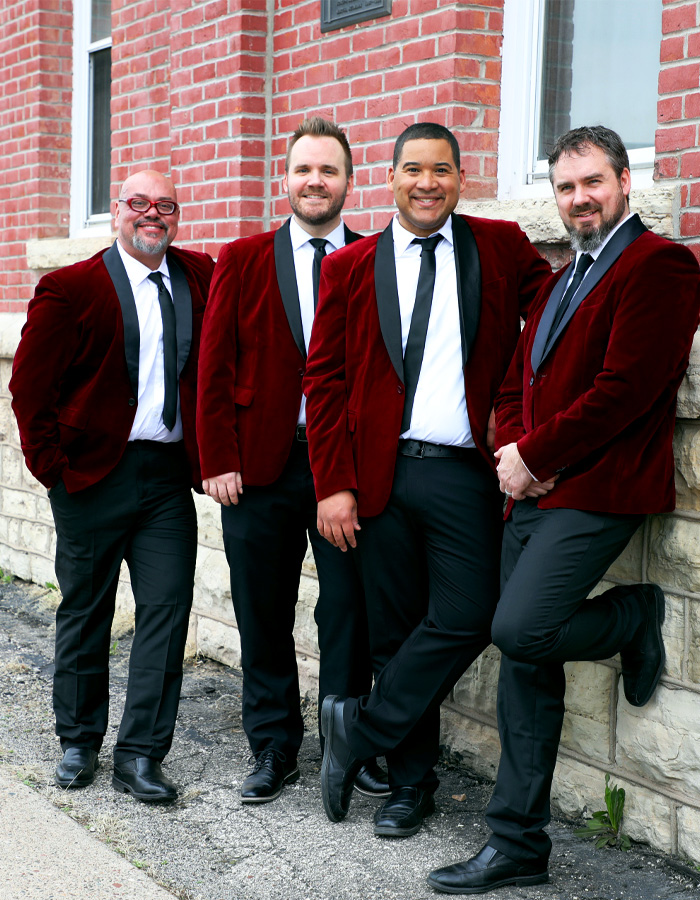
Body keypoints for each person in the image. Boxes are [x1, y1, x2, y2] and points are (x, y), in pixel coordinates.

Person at [427, 125, 700, 893]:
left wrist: (537, 457)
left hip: (603, 488)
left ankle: (631, 617)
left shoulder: (661, 267)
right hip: (535, 490)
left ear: (624, 183)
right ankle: (516, 843)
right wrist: (514, 455)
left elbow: (626, 390)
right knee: (526, 663)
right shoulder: (557, 279)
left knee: (519, 627)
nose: (580, 199)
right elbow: (517, 381)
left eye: (594, 183)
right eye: (566, 187)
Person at [304, 121, 551, 837]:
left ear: (459, 178)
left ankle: (360, 728)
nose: (427, 182)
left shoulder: (500, 247)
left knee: (471, 614)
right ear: (390, 178)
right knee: (394, 635)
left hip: (464, 475)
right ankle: (411, 788)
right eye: (413, 169)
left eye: (441, 169)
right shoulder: (351, 267)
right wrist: (332, 484)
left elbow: (561, 311)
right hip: (378, 481)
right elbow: (323, 382)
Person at [196, 117, 387, 804]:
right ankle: (274, 745)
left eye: (328, 170)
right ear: (286, 179)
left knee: (347, 609)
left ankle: (349, 741)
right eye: (304, 169)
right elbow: (213, 365)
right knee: (261, 610)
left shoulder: (375, 255)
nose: (316, 181)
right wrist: (217, 456)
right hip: (258, 471)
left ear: (348, 181)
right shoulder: (243, 258)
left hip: (345, 471)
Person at [10, 170, 214, 803]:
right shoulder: (69, 288)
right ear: (115, 212)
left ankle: (142, 755)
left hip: (165, 480)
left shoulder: (199, 276)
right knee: (86, 610)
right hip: (90, 478)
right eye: (138, 204)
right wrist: (55, 474)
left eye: (165, 206)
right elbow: (29, 390)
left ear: (176, 217)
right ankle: (78, 741)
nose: (152, 215)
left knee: (166, 612)